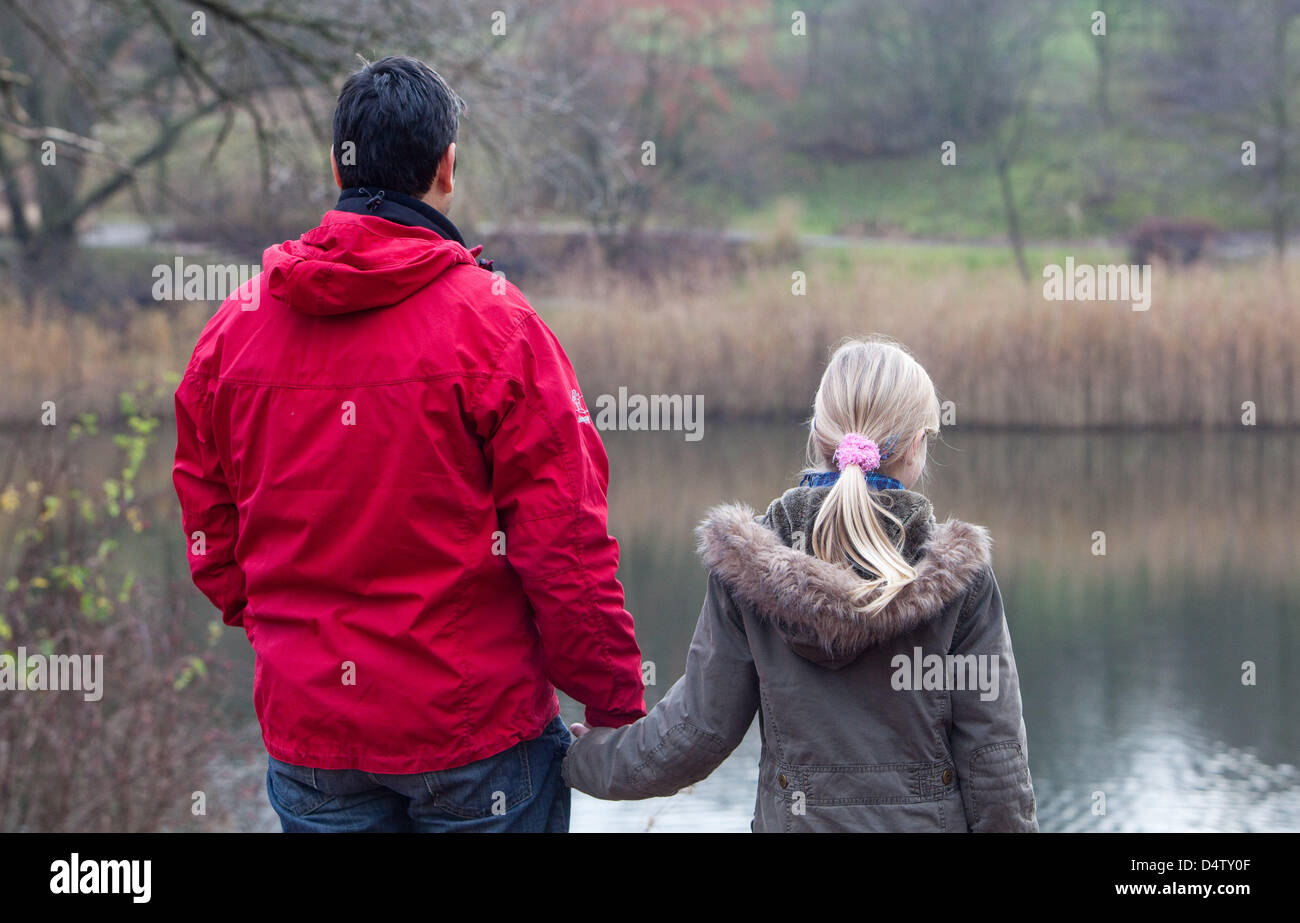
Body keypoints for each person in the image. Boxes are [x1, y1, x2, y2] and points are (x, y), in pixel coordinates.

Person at [171, 55, 645, 833]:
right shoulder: (499, 325)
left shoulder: (234, 331)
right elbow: (566, 544)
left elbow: (209, 527)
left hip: (315, 735)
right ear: (447, 168)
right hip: (477, 736)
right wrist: (615, 699)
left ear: (336, 165)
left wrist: (282, 633)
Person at [562, 336, 1037, 832]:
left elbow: (696, 732)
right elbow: (995, 760)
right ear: (917, 448)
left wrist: (582, 758)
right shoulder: (960, 579)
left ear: (816, 434)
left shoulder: (749, 569)